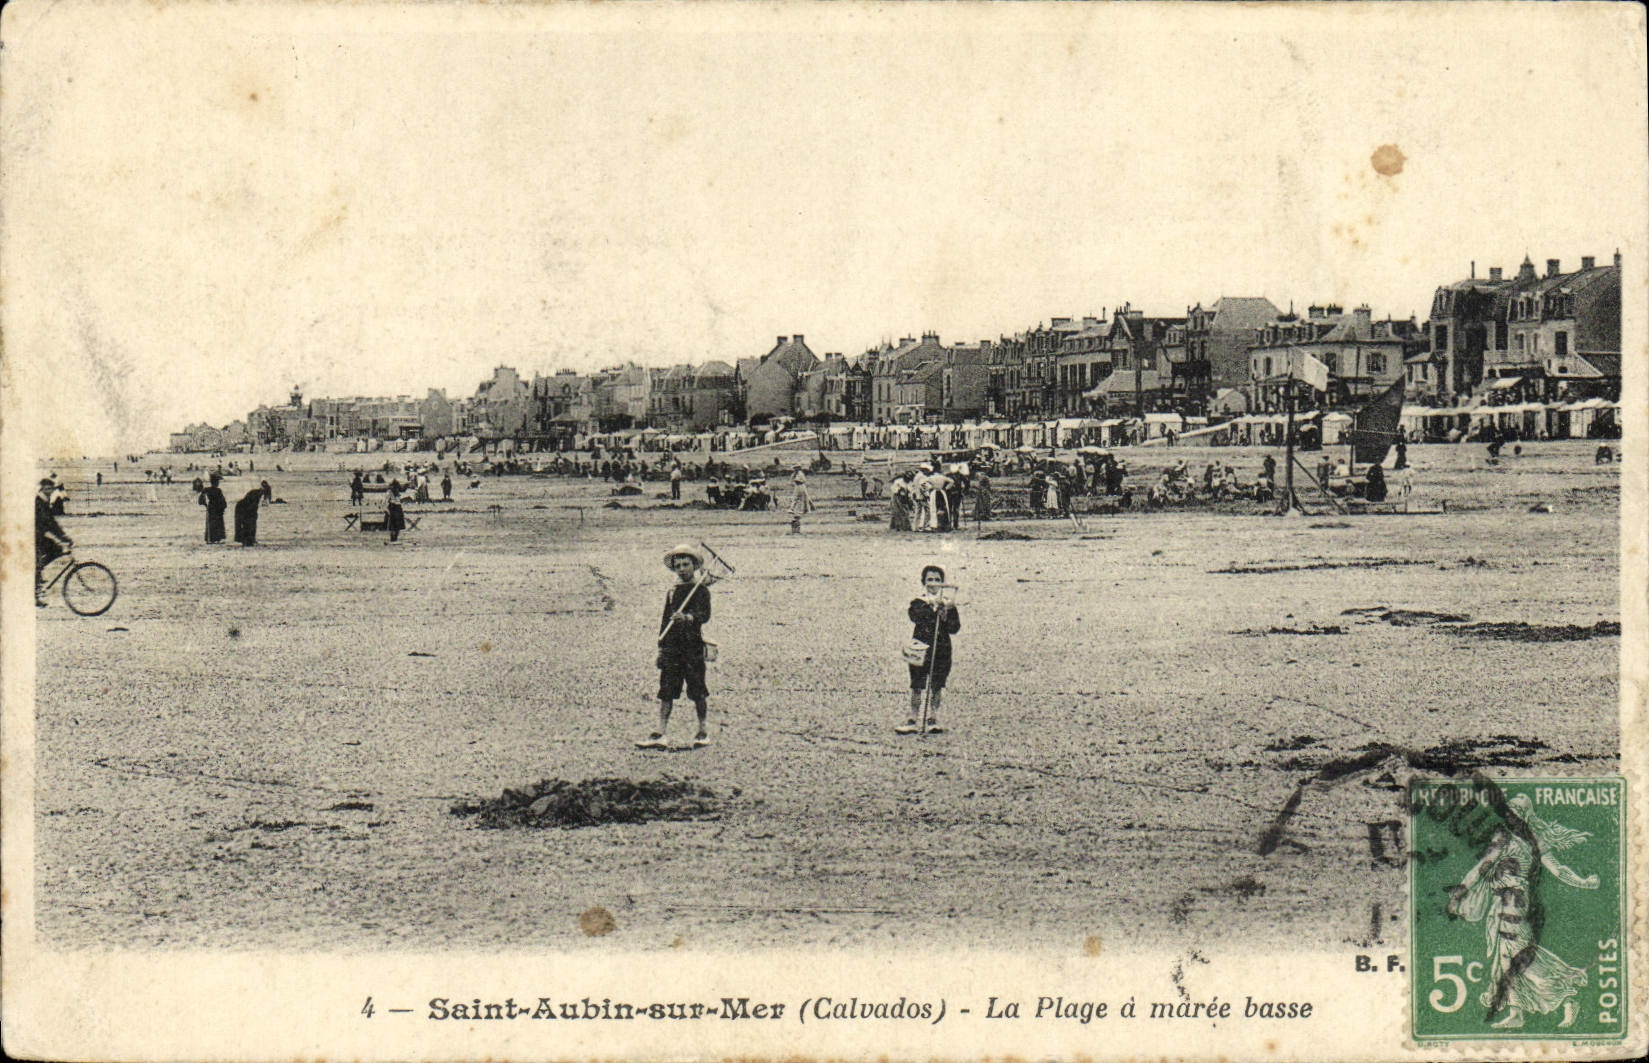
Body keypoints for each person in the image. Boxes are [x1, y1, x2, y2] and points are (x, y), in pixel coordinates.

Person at [1447, 793, 1598, 1029]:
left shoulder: (1529, 841)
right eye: (1510, 809)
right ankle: (1517, 1013)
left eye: (1518, 810)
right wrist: (1461, 891)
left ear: (1526, 815)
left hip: (1514, 902)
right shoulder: (1503, 838)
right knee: (1506, 956)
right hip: (1502, 902)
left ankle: (1568, 995)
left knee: (1519, 955)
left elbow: (1558, 870)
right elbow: (1481, 868)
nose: (1512, 813)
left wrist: (1582, 882)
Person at [637, 544, 713, 750]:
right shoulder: (673, 591)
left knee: (697, 689)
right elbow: (665, 620)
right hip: (673, 647)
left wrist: (687, 617)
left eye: (686, 564)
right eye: (678, 565)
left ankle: (703, 730)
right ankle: (660, 732)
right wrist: (661, 647)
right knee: (667, 690)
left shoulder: (701, 590)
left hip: (692, 646)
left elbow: (704, 615)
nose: (682, 569)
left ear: (695, 566)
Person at [896, 565, 961, 735]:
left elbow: (954, 628)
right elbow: (915, 616)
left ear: (942, 582)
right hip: (920, 647)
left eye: (937, 580)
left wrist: (945, 614)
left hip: (941, 649)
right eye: (930, 580)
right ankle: (913, 719)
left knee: (937, 685)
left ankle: (932, 718)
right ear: (923, 582)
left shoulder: (948, 604)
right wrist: (931, 607)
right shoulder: (918, 602)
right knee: (917, 684)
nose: (934, 583)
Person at [35, 479, 71, 606]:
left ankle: (38, 571)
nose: (50, 491)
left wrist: (64, 537)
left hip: (39, 536)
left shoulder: (44, 501)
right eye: (48, 488)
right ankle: (36, 581)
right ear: (42, 488)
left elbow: (52, 523)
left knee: (56, 550)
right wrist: (63, 537)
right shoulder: (38, 502)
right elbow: (49, 523)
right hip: (34, 537)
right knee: (39, 561)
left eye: (51, 488)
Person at [233, 480, 272, 546]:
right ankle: (248, 540)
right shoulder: (256, 494)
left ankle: (248, 539)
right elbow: (251, 506)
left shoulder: (256, 492)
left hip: (241, 506)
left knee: (250, 522)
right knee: (249, 522)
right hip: (242, 507)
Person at [199, 473, 228, 543]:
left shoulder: (207, 489)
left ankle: (210, 539)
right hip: (217, 508)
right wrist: (223, 507)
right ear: (216, 483)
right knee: (218, 523)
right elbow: (222, 500)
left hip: (211, 507)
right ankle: (217, 539)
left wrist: (205, 504)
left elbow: (200, 499)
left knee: (211, 523)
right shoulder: (218, 490)